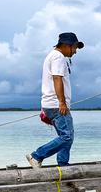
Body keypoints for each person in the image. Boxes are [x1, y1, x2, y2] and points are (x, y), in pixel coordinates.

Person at [26, 32, 84, 168]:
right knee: (67, 136)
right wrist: (62, 102)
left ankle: (62, 164)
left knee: (67, 136)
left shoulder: (54, 56)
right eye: (74, 47)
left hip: (52, 104)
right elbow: (57, 78)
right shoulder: (58, 57)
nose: (75, 51)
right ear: (66, 45)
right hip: (56, 104)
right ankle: (36, 156)